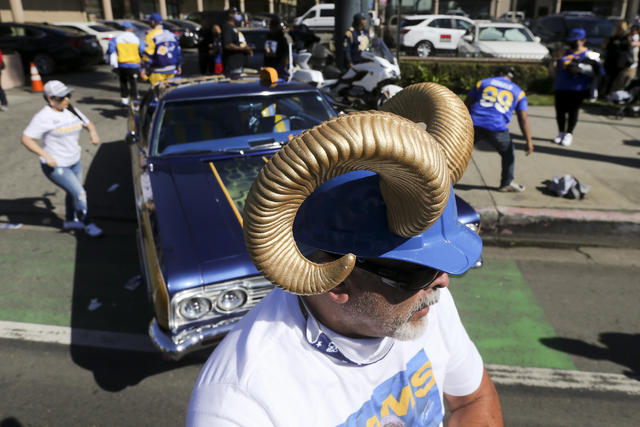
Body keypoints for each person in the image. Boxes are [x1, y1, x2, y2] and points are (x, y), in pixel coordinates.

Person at [187, 83, 503, 426]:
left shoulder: (423, 303)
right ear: (337, 282)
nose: (442, 282)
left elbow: (473, 399)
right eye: (415, 273)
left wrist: (415, 279)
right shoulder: (241, 404)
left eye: (439, 267)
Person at [20, 80, 102, 237]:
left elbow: (88, 123)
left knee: (73, 192)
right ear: (50, 99)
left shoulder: (71, 109)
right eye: (62, 97)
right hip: (56, 166)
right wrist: (45, 155)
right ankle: (87, 223)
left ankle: (70, 221)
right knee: (80, 193)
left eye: (68, 95)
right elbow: (26, 138)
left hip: (74, 161)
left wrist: (93, 133)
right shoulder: (43, 117)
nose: (67, 100)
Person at [465, 66, 534, 193]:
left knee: (459, 152)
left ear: (500, 73)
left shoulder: (483, 82)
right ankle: (506, 183)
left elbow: (467, 103)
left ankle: (442, 179)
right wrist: (528, 140)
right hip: (497, 128)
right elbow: (523, 117)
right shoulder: (518, 92)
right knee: (508, 154)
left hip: (474, 123)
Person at [551, 28, 602, 147]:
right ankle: (561, 133)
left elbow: (598, 72)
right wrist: (553, 63)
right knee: (560, 112)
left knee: (573, 111)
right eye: (571, 40)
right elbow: (555, 70)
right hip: (561, 86)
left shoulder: (591, 55)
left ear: (583, 40)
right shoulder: (564, 53)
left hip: (578, 88)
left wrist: (579, 69)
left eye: (576, 40)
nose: (573, 43)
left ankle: (569, 133)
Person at [106, 21, 142, 105]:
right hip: (133, 65)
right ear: (130, 29)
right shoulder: (136, 38)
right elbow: (142, 50)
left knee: (123, 83)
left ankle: (124, 100)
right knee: (133, 83)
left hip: (121, 65)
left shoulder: (117, 38)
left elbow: (111, 50)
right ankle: (135, 100)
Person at [141, 13, 182, 86]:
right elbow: (178, 51)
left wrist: (143, 68)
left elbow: (148, 54)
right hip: (172, 69)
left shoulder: (151, 35)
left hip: (158, 69)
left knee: (158, 93)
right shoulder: (171, 34)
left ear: (153, 22)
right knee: (171, 92)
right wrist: (179, 65)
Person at [602, 21, 633, 95]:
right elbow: (605, 48)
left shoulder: (627, 38)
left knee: (618, 80)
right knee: (609, 79)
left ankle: (613, 94)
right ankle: (606, 93)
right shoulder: (611, 38)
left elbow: (628, 49)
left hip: (621, 62)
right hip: (611, 61)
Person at [221, 8, 253, 79]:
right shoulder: (227, 27)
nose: (238, 15)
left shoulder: (233, 28)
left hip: (238, 64)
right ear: (230, 15)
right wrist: (243, 49)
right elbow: (228, 45)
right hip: (232, 64)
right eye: (236, 13)